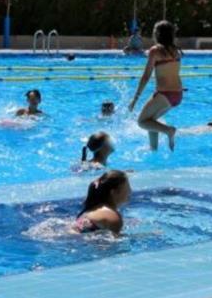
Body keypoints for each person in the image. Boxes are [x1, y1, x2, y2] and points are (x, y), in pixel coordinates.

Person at [128, 21, 184, 151]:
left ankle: (169, 130)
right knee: (151, 120)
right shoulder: (176, 51)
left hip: (165, 94)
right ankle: (153, 149)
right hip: (178, 94)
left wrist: (135, 99)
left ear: (157, 34)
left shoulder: (155, 51)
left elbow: (146, 76)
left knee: (142, 122)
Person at [72, 170, 130, 235]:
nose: (130, 191)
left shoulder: (92, 209)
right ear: (113, 192)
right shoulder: (112, 217)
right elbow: (115, 240)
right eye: (127, 188)